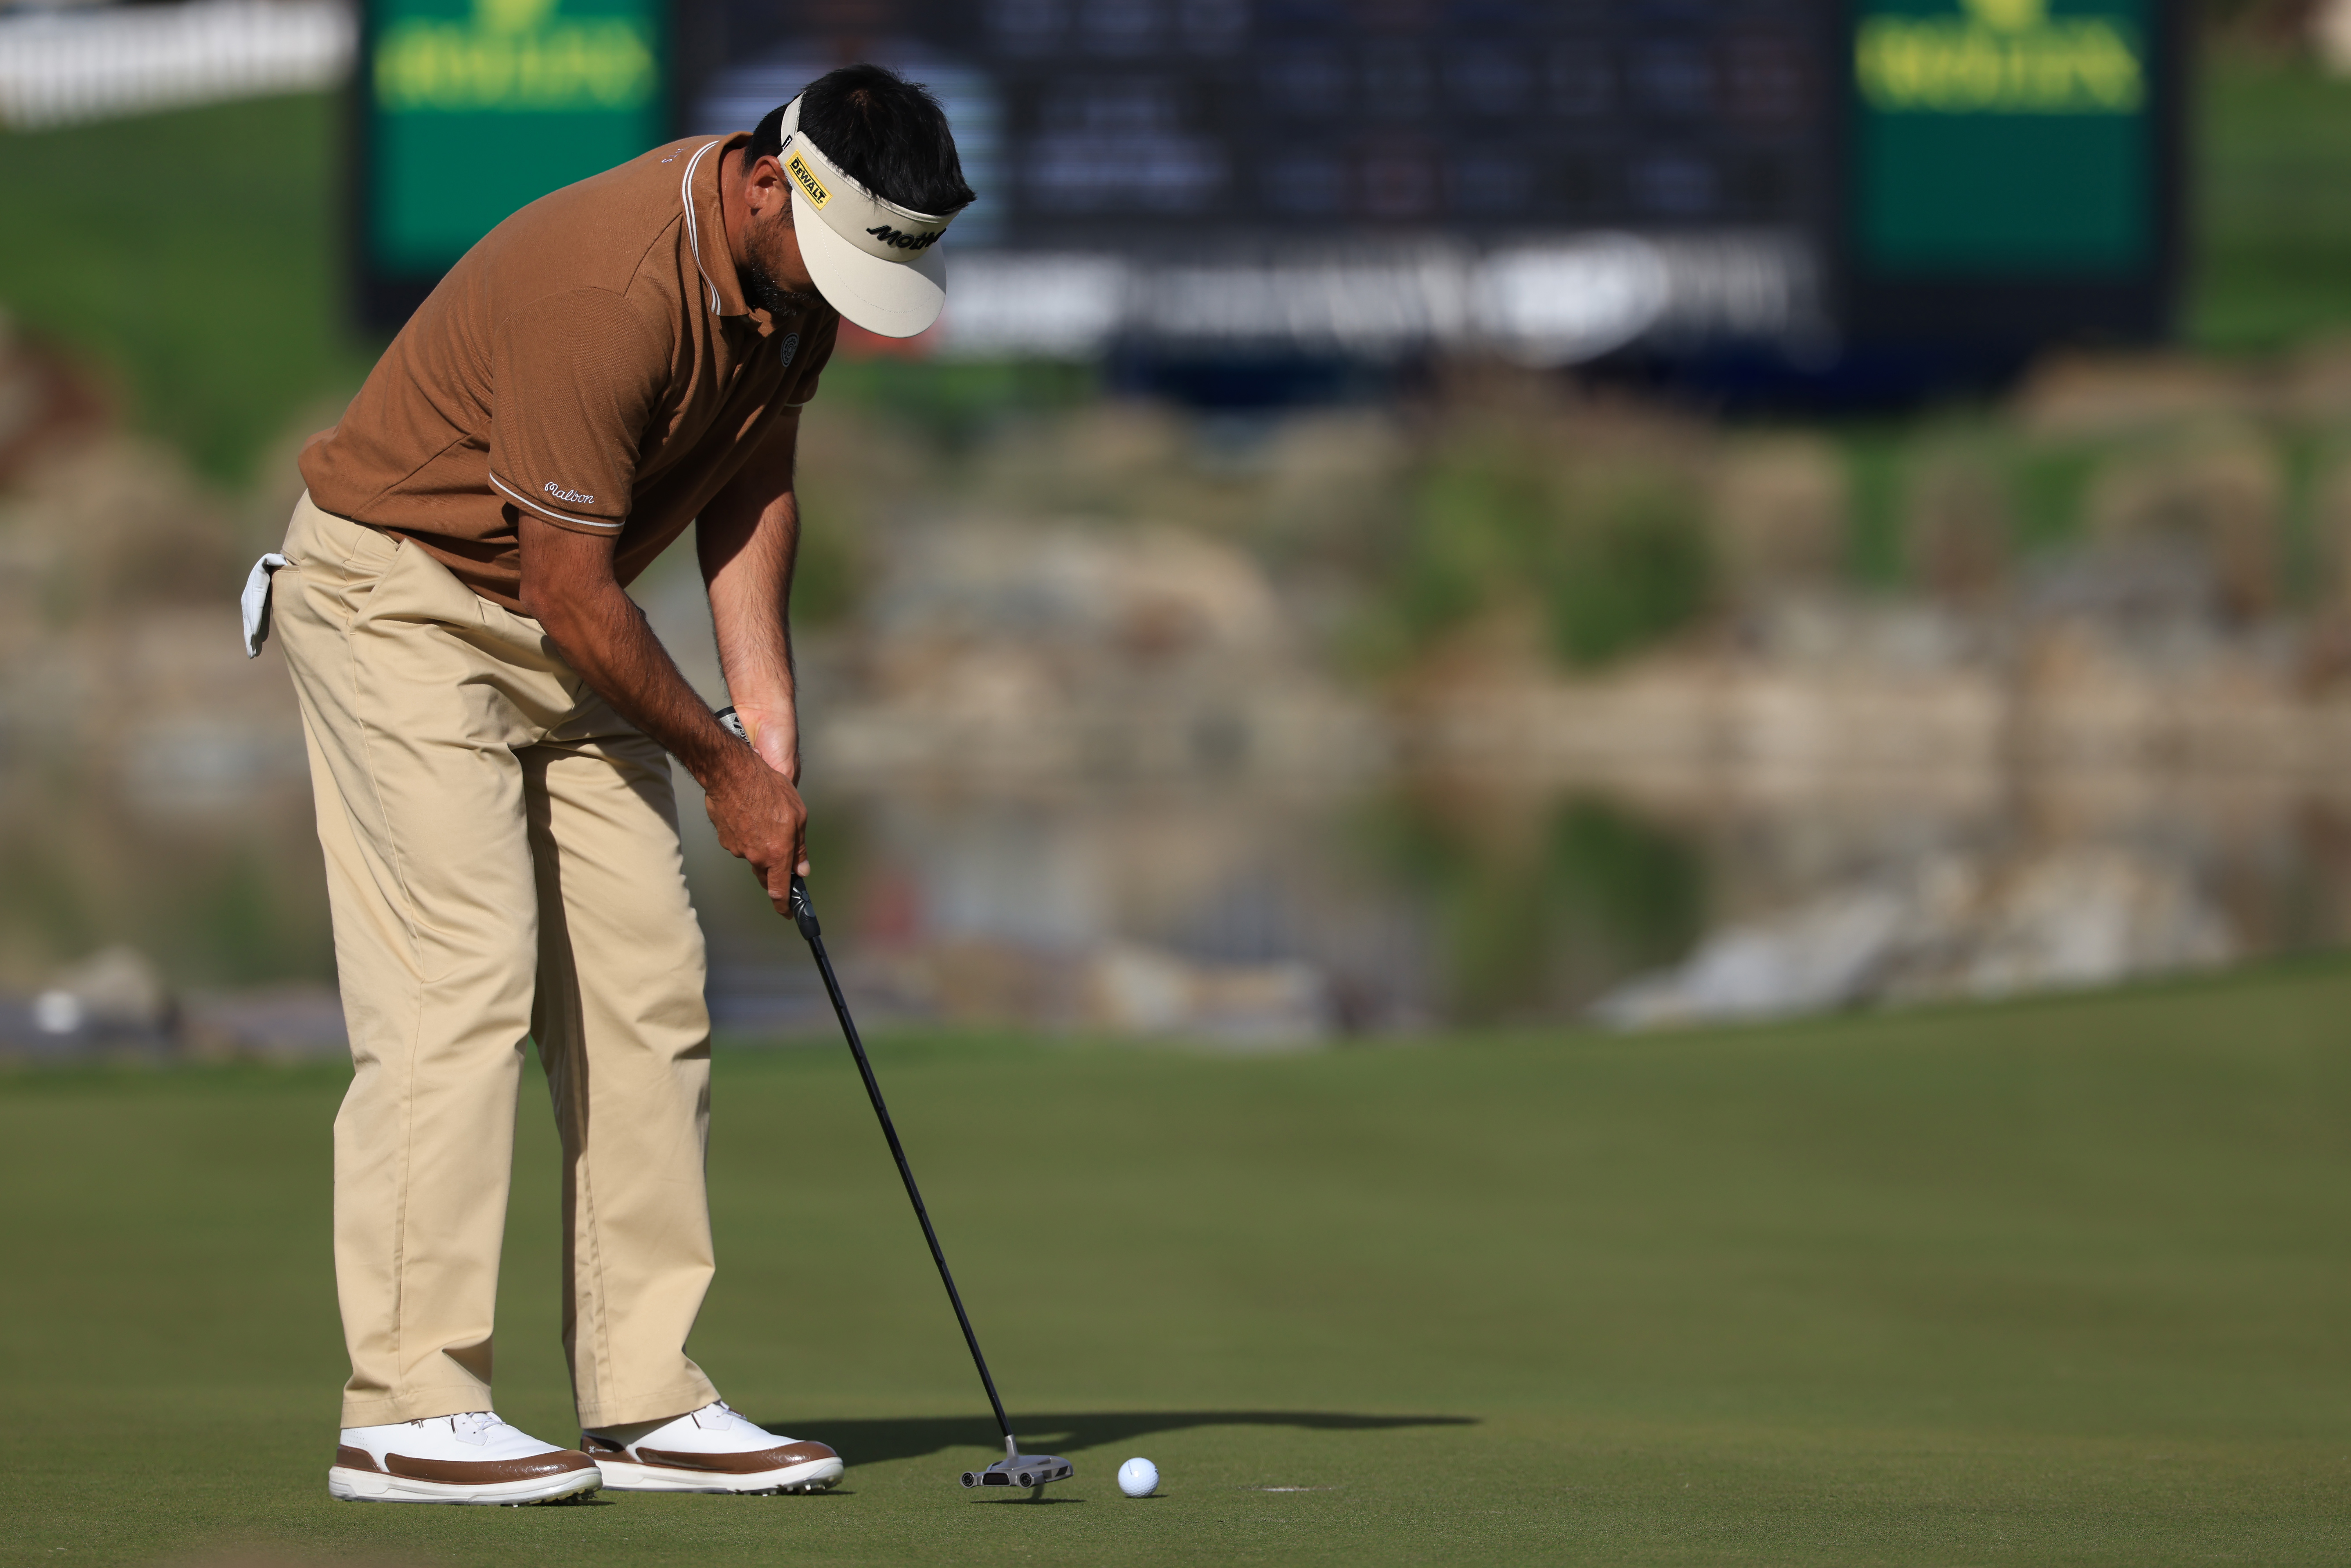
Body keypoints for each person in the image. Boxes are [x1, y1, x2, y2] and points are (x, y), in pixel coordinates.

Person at [250, 64, 974, 1506]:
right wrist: (724, 772)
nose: (837, 300)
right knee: (462, 972)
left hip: (556, 614)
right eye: (834, 262)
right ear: (767, 184)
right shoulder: (613, 287)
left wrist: (767, 715)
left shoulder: (793, 285)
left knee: (648, 983)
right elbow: (572, 591)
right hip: (401, 598)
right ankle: (406, 1406)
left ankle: (644, 1396)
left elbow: (752, 480)